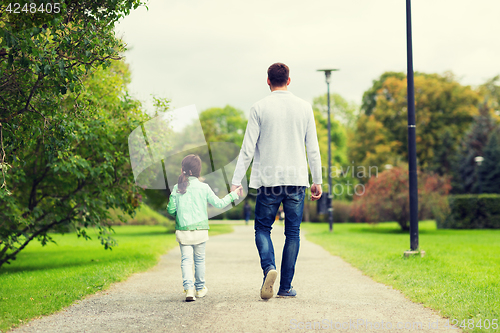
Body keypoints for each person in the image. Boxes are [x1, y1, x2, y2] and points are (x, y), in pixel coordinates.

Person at [231, 63, 323, 299]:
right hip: (296, 180)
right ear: (289, 80)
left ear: (268, 81)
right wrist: (317, 180)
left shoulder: (259, 107)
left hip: (268, 180)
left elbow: (247, 148)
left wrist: (236, 180)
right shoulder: (304, 107)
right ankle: (285, 287)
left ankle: (269, 268)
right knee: (292, 233)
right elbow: (312, 148)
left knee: (263, 228)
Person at [167, 154, 242, 302]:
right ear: (198, 170)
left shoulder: (177, 188)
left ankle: (189, 290)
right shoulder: (204, 187)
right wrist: (233, 195)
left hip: (184, 230)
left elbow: (170, 210)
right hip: (201, 231)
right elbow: (219, 204)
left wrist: (179, 213)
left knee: (186, 261)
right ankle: (200, 289)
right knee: (199, 260)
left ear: (182, 169)